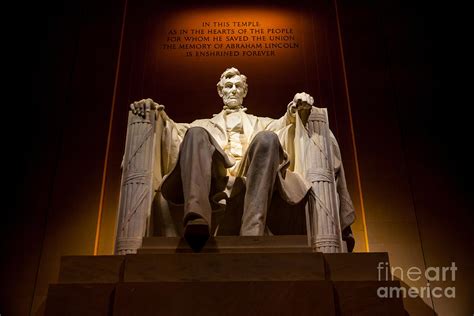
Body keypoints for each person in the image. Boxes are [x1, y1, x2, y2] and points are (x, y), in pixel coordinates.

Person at [130, 67, 355, 251]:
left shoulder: (261, 122)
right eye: (228, 86)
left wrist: (296, 107)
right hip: (214, 180)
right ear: (220, 91)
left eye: (238, 86)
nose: (233, 90)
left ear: (244, 91)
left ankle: (253, 229)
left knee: (267, 139)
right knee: (195, 134)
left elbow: (286, 124)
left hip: (253, 177)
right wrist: (154, 112)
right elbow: (172, 132)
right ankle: (197, 218)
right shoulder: (202, 125)